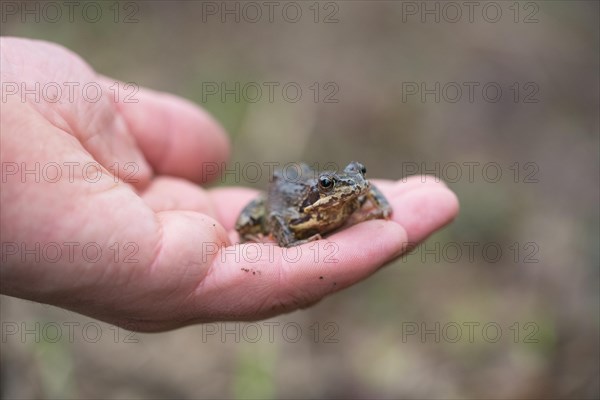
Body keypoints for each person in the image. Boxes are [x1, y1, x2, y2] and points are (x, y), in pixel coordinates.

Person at [0, 37, 459, 332]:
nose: (352, 187)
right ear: (321, 188)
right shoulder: (301, 207)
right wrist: (290, 247)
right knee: (251, 216)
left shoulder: (353, 190)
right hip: (281, 196)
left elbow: (366, 190)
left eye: (355, 180)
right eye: (334, 184)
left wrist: (376, 204)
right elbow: (278, 215)